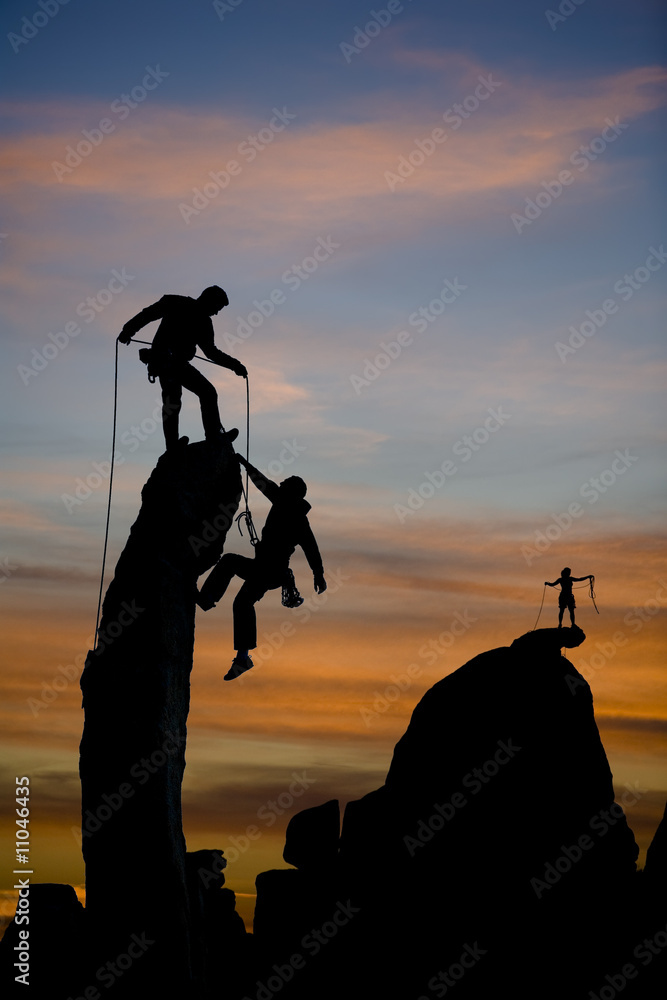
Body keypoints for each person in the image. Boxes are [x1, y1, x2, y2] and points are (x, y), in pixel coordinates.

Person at [197, 455, 327, 680]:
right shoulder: (285, 504)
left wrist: (319, 574)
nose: (280, 485)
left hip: (270, 571)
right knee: (242, 601)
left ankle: (207, 599)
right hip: (267, 570)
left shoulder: (292, 514)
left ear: (292, 492)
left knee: (230, 564)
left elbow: (311, 549)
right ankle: (242, 658)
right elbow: (263, 482)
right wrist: (244, 464)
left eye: (285, 484)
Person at [117, 285, 247, 451]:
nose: (216, 313)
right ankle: (190, 442)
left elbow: (211, 352)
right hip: (166, 361)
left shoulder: (200, 319)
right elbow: (148, 315)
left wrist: (235, 365)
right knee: (187, 396)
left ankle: (195, 440)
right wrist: (127, 331)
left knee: (192, 396)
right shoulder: (178, 304)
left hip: (174, 364)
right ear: (209, 300)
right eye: (217, 307)